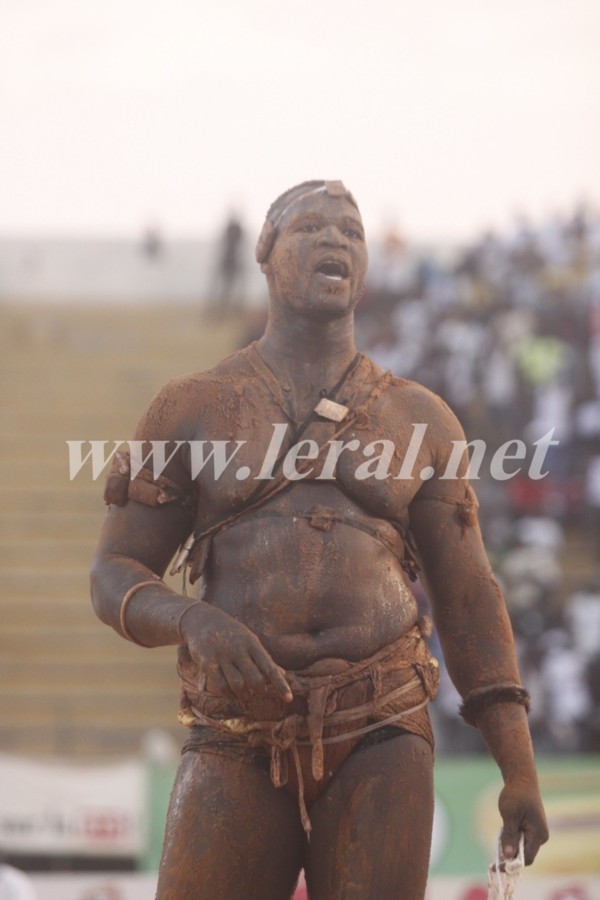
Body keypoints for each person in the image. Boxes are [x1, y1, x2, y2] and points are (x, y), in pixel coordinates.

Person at [90, 180, 548, 899]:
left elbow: (468, 600)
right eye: (310, 227)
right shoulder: (192, 406)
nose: (336, 239)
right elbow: (113, 573)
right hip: (237, 726)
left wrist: (517, 767)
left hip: (382, 727)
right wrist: (193, 618)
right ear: (266, 254)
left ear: (365, 268)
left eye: (352, 232)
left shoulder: (421, 418)